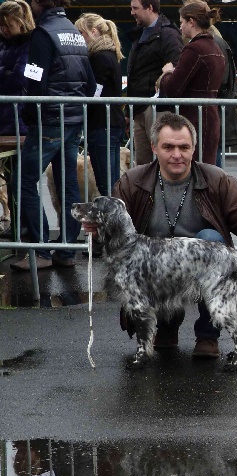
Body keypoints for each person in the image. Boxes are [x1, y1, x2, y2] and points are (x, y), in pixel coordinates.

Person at [107, 112, 237, 358]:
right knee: (146, 256)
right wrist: (95, 228)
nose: (177, 155)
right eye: (168, 147)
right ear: (154, 148)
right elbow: (111, 229)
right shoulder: (132, 183)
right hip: (158, 274)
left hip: (204, 269)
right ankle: (165, 327)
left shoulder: (216, 180)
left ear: (194, 148)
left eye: (184, 147)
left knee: (211, 240)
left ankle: (207, 335)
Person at [10, 0, 95, 272]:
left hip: (48, 120)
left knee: (22, 180)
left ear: (38, 3)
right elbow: (91, 83)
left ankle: (41, 248)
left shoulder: (43, 33)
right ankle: (67, 249)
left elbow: (35, 81)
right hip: (73, 121)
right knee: (68, 181)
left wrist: (28, 114)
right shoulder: (74, 32)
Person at [158, 1, 225, 164]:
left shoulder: (194, 49)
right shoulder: (216, 49)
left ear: (191, 22)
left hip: (194, 118)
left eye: (181, 22)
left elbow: (173, 88)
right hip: (211, 116)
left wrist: (167, 73)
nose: (180, 27)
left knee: (191, 169)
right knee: (206, 169)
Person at [126, 0, 183, 167]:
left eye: (135, 8)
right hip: (140, 106)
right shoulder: (140, 34)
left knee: (162, 159)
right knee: (144, 163)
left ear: (150, 8)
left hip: (158, 108)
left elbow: (176, 66)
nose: (131, 12)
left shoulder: (168, 34)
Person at [74, 13, 125, 197]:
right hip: (112, 123)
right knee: (112, 183)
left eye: (82, 34)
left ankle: (111, 224)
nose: (80, 39)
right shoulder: (111, 54)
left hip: (102, 125)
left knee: (106, 184)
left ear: (93, 32)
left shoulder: (99, 57)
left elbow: (95, 92)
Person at [0, 0, 35, 138]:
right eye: (1, 26)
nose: (4, 30)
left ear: (21, 22)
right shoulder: (3, 44)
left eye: (9, 25)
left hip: (19, 117)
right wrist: (6, 72)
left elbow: (20, 77)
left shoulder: (30, 43)